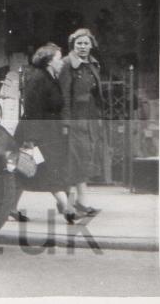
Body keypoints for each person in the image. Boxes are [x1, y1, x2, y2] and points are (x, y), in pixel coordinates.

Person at [16, 43, 77, 223]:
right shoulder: (38, 78)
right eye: (59, 59)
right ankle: (67, 208)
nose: (62, 62)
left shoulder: (51, 77)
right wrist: (30, 139)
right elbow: (32, 110)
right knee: (46, 170)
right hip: (38, 133)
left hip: (50, 132)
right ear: (49, 61)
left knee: (29, 173)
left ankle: (11, 207)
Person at [58, 28, 102, 217]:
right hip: (75, 120)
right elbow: (64, 95)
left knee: (84, 159)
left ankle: (80, 202)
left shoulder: (92, 63)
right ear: (73, 45)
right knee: (74, 160)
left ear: (91, 45)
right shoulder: (67, 64)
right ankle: (71, 204)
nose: (83, 47)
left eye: (86, 43)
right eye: (79, 44)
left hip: (89, 118)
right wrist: (66, 123)